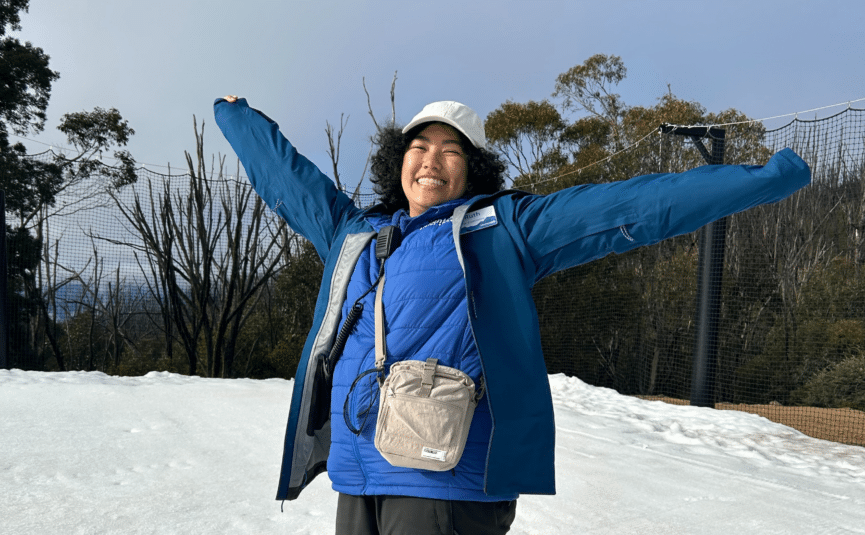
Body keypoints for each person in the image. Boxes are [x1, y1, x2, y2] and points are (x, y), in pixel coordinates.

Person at [214, 96, 810, 534]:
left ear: (473, 170)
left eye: (451, 151)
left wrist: (766, 179)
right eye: (418, 147)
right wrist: (238, 118)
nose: (430, 160)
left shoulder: (501, 229)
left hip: (444, 476)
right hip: (358, 469)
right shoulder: (357, 235)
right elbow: (289, 183)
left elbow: (634, 205)